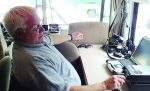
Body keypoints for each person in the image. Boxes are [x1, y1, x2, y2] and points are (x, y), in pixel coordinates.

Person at [3, 6, 125, 91]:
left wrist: (71, 36)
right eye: (36, 28)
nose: (43, 30)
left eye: (40, 25)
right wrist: (103, 86)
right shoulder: (32, 61)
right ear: (19, 33)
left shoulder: (31, 40)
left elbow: (50, 38)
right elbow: (67, 90)